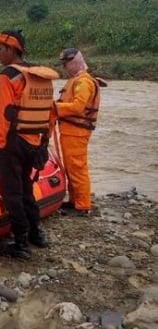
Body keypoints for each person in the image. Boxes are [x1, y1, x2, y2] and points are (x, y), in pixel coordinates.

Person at [0, 29, 58, 260]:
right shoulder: (37, 74)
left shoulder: (8, 76)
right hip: (34, 141)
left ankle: (20, 244)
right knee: (26, 189)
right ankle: (36, 233)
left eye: (0, 50)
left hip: (11, 144)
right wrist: (43, 143)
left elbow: (4, 116)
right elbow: (50, 112)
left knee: (12, 194)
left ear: (12, 49)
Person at [53, 48, 105, 217]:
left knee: (77, 168)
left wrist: (53, 107)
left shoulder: (84, 82)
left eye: (66, 64)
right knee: (70, 167)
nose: (64, 68)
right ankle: (74, 200)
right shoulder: (76, 80)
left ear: (73, 62)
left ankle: (82, 206)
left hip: (77, 133)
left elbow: (77, 107)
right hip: (69, 132)